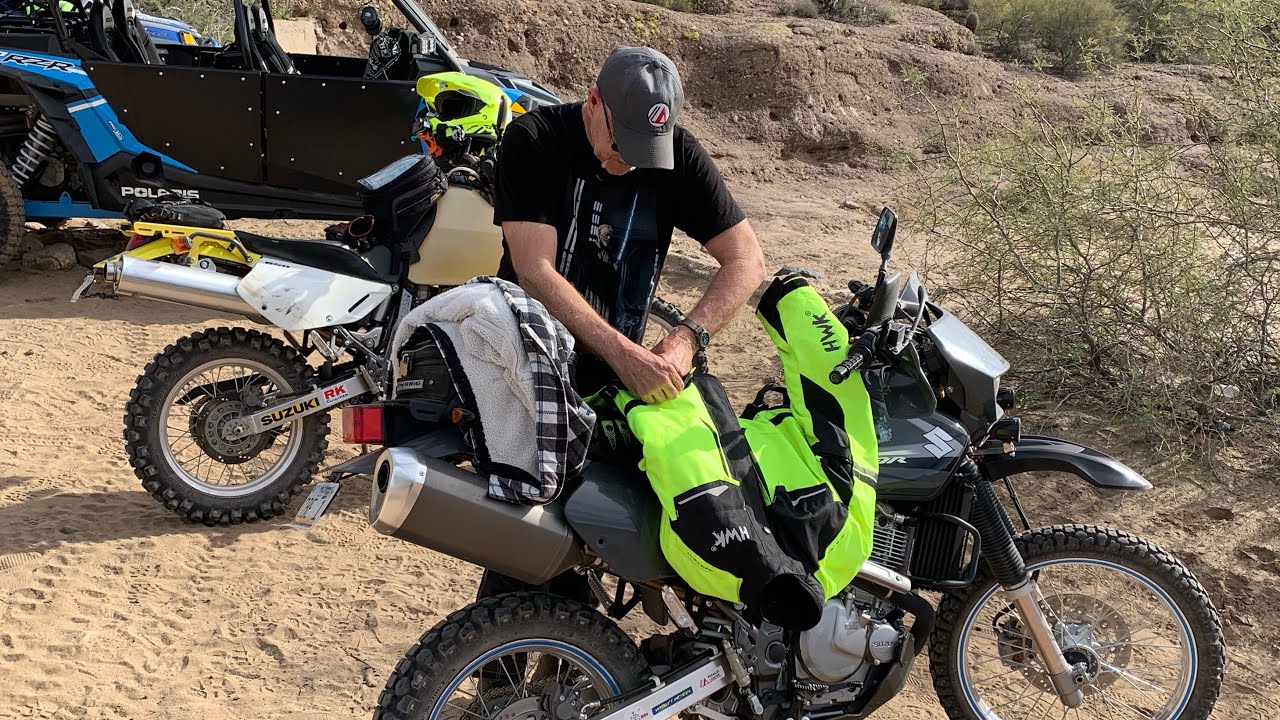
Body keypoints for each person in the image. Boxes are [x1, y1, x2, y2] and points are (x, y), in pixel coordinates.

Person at [473, 45, 768, 605]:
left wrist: (686, 339)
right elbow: (535, 269)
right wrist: (622, 353)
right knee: (530, 528)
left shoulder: (677, 154)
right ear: (592, 102)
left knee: (607, 530)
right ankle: (501, 667)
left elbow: (747, 259)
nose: (629, 163)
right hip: (527, 364)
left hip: (619, 381)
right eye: (621, 145)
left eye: (644, 152)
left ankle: (556, 666)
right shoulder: (535, 141)